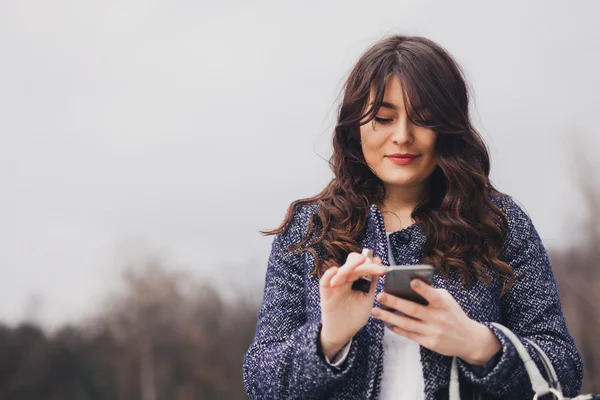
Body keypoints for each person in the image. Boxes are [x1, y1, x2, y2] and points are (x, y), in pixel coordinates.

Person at [241, 34, 583, 399]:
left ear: (449, 127)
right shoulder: (311, 230)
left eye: (423, 119)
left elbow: (563, 369)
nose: (402, 136)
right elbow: (261, 381)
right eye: (384, 119)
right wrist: (329, 337)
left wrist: (478, 344)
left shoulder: (499, 224)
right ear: (355, 126)